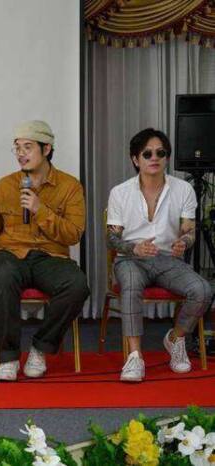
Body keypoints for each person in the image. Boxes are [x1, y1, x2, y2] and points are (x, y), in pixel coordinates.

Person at [0, 120, 89, 381]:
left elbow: (73, 234)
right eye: (17, 148)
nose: (21, 154)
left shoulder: (70, 186)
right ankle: (8, 357)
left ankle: (40, 348)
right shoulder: (5, 185)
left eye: (27, 147)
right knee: (2, 275)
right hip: (9, 254)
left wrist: (40, 210)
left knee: (77, 285)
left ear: (46, 149)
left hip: (51, 257)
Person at [107, 128, 212, 382]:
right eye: (147, 153)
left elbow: (189, 231)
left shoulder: (183, 189)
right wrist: (134, 248)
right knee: (131, 284)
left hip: (167, 259)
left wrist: (183, 242)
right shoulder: (120, 192)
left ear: (167, 157)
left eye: (160, 153)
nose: (154, 158)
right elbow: (111, 239)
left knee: (202, 290)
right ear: (135, 159)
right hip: (130, 259)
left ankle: (176, 339)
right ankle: (134, 356)